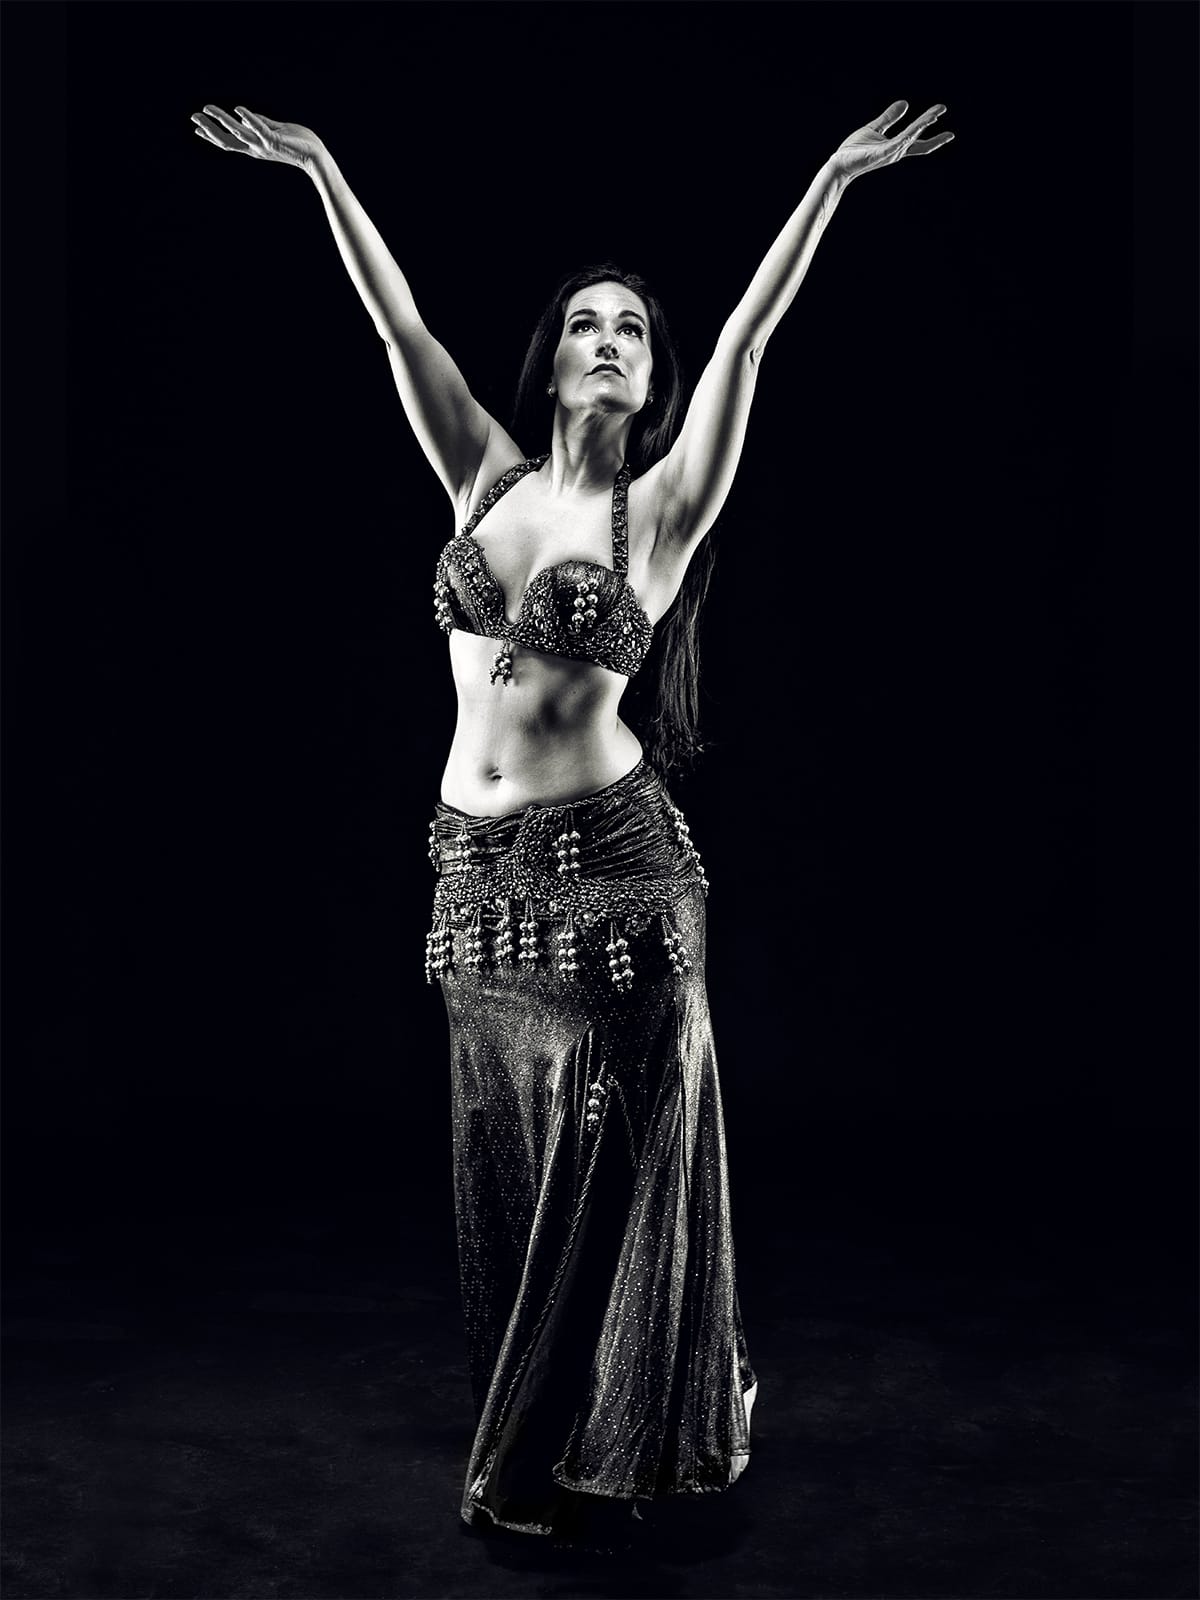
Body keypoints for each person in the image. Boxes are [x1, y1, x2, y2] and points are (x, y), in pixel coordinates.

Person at [192, 97, 953, 1550]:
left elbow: (749, 341)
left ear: (650, 375)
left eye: (634, 331)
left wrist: (829, 183)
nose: (609, 340)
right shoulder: (483, 477)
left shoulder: (659, 514)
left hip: (614, 878)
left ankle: (576, 1450)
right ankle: (562, 1420)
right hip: (470, 881)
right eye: (586, 324)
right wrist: (324, 168)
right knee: (510, 1162)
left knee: (612, 1166)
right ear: (549, 359)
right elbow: (399, 327)